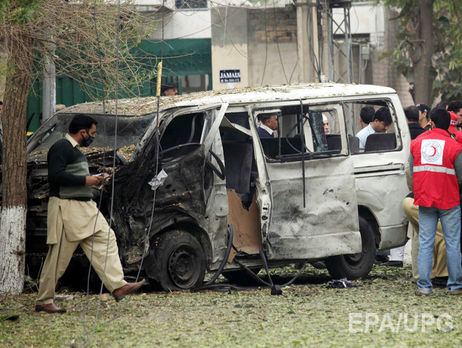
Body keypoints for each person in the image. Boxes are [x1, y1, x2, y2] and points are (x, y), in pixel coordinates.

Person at [35, 114, 145, 313]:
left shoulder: (75, 151)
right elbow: (56, 176)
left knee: (106, 237)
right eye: (92, 133)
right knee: (58, 257)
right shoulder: (61, 147)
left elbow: (76, 176)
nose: (93, 137)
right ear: (82, 131)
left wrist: (94, 179)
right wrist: (87, 181)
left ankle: (117, 285)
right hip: (66, 207)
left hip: (84, 208)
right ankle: (44, 300)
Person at [410, 107, 462, 295]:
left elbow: (411, 172)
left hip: (425, 199)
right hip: (450, 201)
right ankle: (455, 286)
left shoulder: (416, 143)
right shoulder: (455, 146)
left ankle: (424, 287)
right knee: (453, 243)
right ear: (449, 125)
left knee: (425, 242)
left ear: (430, 121)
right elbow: (461, 176)